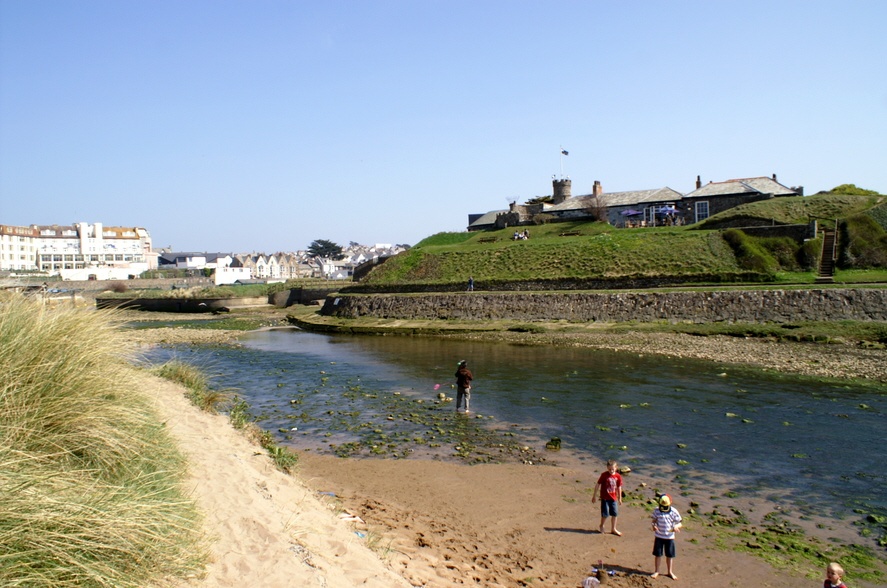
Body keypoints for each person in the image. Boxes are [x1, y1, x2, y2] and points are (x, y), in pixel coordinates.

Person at [651, 494, 682, 580]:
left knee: (670, 555)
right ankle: (657, 571)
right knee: (658, 554)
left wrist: (676, 527)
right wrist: (654, 526)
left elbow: (680, 522)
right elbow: (654, 521)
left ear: (670, 503)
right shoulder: (656, 511)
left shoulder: (674, 511)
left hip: (669, 537)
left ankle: (670, 572)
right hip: (659, 536)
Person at [591, 460, 623, 536]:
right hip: (605, 498)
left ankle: (613, 529)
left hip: (613, 498)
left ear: (616, 468)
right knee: (605, 514)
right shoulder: (604, 475)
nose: (611, 471)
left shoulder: (618, 476)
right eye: (609, 469)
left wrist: (620, 498)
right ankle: (601, 525)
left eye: (613, 469)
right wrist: (594, 496)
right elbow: (598, 484)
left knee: (615, 514)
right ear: (607, 468)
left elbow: (619, 487)